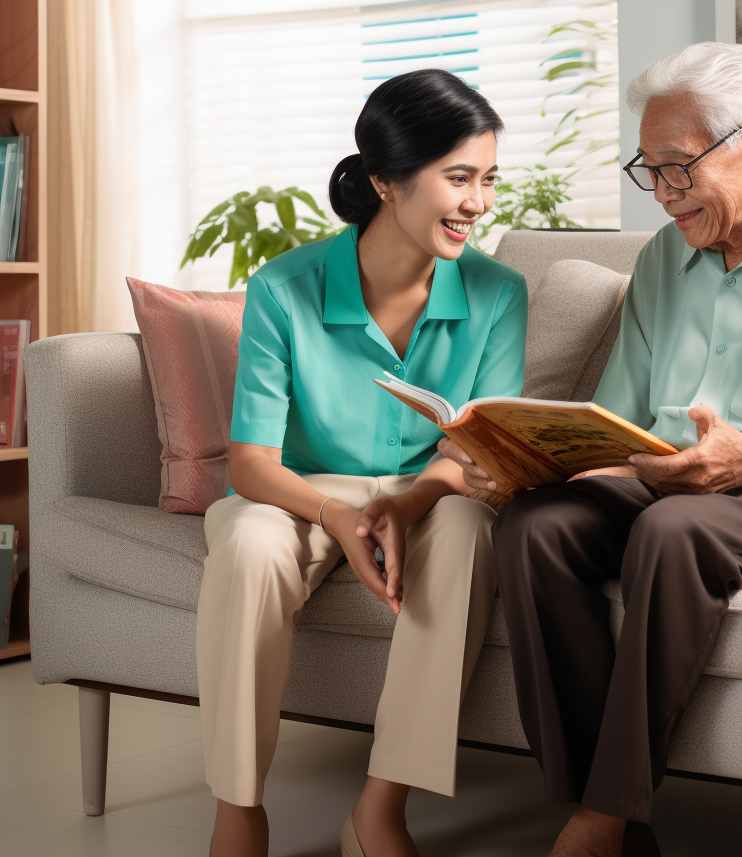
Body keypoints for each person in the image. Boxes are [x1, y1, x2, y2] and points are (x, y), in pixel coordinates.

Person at [441, 41, 742, 857]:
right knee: (537, 525)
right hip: (678, 483)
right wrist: (530, 466)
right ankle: (604, 816)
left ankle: (600, 820)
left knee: (673, 532)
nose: (663, 197)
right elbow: (621, 426)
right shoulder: (665, 260)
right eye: (649, 172)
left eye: (678, 168)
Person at [197, 68, 528, 857]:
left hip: (432, 493)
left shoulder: (499, 292)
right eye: (458, 179)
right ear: (386, 180)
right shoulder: (285, 288)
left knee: (467, 532)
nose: (479, 203)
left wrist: (410, 504)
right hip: (300, 495)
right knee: (246, 546)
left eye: (488, 179)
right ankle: (237, 809)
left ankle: (380, 808)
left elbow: (471, 452)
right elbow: (250, 464)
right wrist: (339, 515)